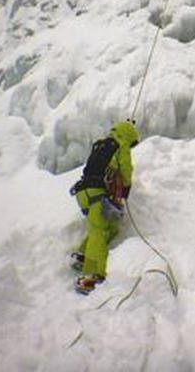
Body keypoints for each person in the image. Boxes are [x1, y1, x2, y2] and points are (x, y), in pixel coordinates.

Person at [69, 119, 140, 294]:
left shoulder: (100, 145)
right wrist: (125, 189)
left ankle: (83, 255)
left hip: (83, 192)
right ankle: (91, 275)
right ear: (129, 136)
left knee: (107, 227)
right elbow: (126, 171)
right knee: (99, 233)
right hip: (98, 194)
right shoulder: (120, 145)